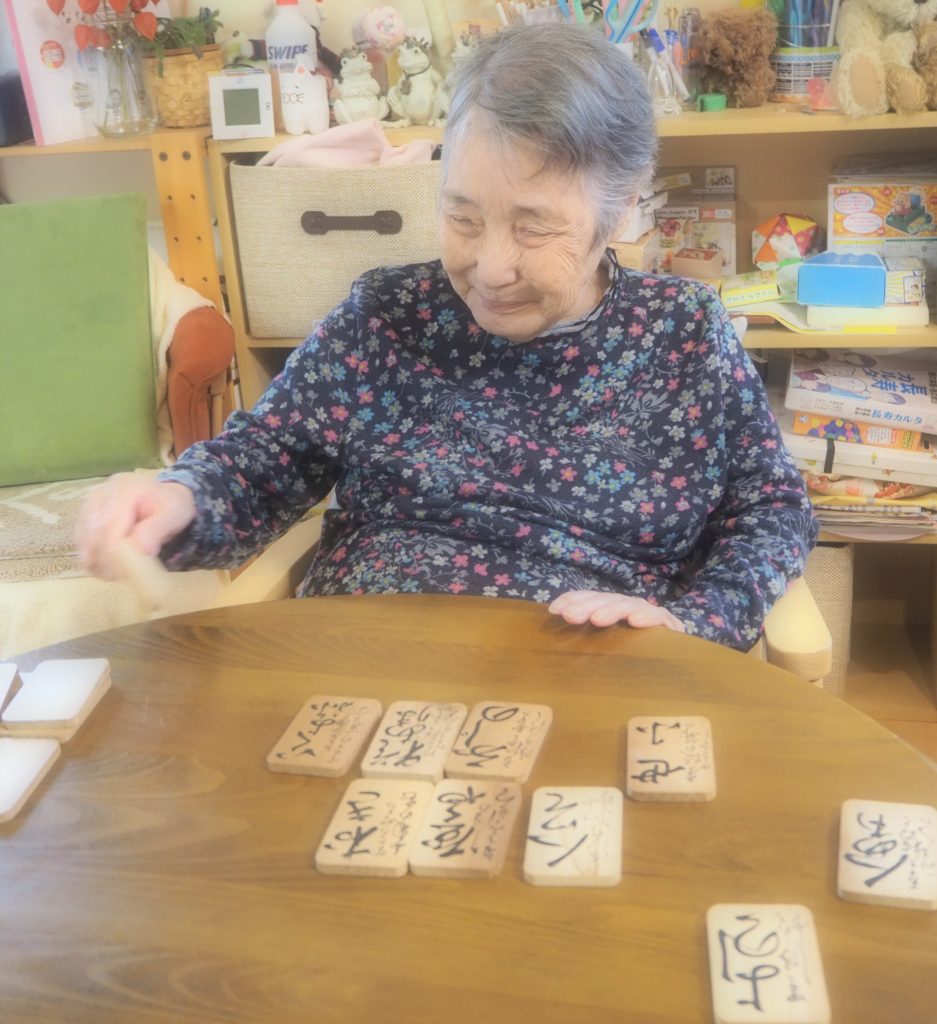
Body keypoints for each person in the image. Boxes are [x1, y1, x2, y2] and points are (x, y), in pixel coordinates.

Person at [77, 23, 817, 652]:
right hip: (369, 657)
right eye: (462, 217)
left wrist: (695, 622)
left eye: (533, 228)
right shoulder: (385, 314)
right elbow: (263, 462)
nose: (490, 269)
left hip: (586, 671)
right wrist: (180, 498)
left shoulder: (684, 332)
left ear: (622, 208)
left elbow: (772, 511)